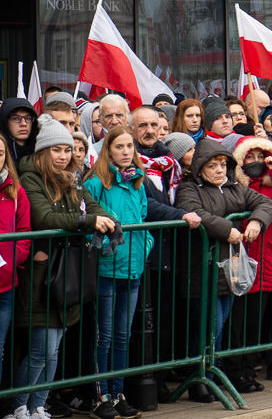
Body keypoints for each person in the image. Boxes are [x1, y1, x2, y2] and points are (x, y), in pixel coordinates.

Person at [12, 115, 115, 419]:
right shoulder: (31, 178)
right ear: (43, 151)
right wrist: (88, 222)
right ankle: (19, 406)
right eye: (57, 150)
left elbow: (92, 206)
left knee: (53, 350)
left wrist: (110, 221)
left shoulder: (73, 178)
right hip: (41, 276)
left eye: (68, 150)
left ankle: (38, 406)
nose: (64, 156)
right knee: (41, 350)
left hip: (67, 273)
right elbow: (44, 218)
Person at [83, 124, 189, 416]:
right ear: (108, 150)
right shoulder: (96, 182)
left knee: (123, 335)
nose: (126, 151)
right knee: (104, 336)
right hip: (106, 269)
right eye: (119, 146)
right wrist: (105, 247)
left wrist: (145, 247)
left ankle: (118, 394)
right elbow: (88, 222)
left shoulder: (138, 182)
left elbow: (143, 221)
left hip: (133, 269)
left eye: (129, 146)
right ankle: (100, 397)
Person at [174, 139, 272, 401]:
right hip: (201, 269)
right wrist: (227, 229)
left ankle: (210, 373)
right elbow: (194, 212)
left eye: (222, 164)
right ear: (200, 168)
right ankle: (198, 377)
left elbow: (266, 203)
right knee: (210, 325)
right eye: (212, 165)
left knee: (218, 327)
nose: (219, 170)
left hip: (229, 271)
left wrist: (256, 221)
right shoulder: (189, 188)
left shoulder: (235, 188)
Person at [221, 135, 272, 393]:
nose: (256, 161)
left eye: (260, 156)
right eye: (250, 156)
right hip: (239, 262)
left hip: (265, 261)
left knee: (254, 322)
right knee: (236, 323)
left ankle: (249, 369)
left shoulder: (270, 183)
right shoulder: (234, 186)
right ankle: (234, 371)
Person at [0, 139, 31, 401]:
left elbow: (24, 232)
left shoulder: (15, 189)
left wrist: (12, 259)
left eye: (0, 153)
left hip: (5, 284)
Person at [0, 98, 41, 164]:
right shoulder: (2, 155)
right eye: (15, 118)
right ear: (5, 121)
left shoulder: (42, 153)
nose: (23, 123)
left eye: (28, 118)